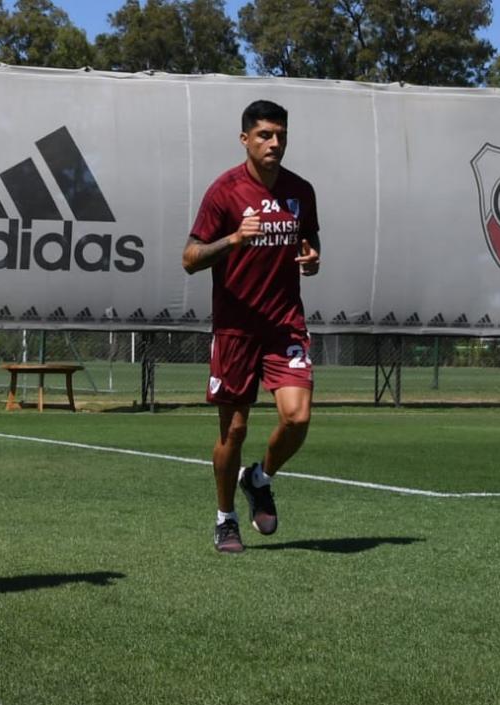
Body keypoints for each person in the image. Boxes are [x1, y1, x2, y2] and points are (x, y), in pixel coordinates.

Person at [181, 100, 322, 553]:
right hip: (236, 328)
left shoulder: (301, 190)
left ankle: (258, 478)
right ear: (245, 139)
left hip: (285, 325)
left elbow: (309, 240)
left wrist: (312, 257)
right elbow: (189, 259)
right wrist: (235, 239)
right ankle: (225, 519)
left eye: (280, 134)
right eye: (264, 135)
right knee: (235, 430)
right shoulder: (224, 191)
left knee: (298, 418)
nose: (274, 143)